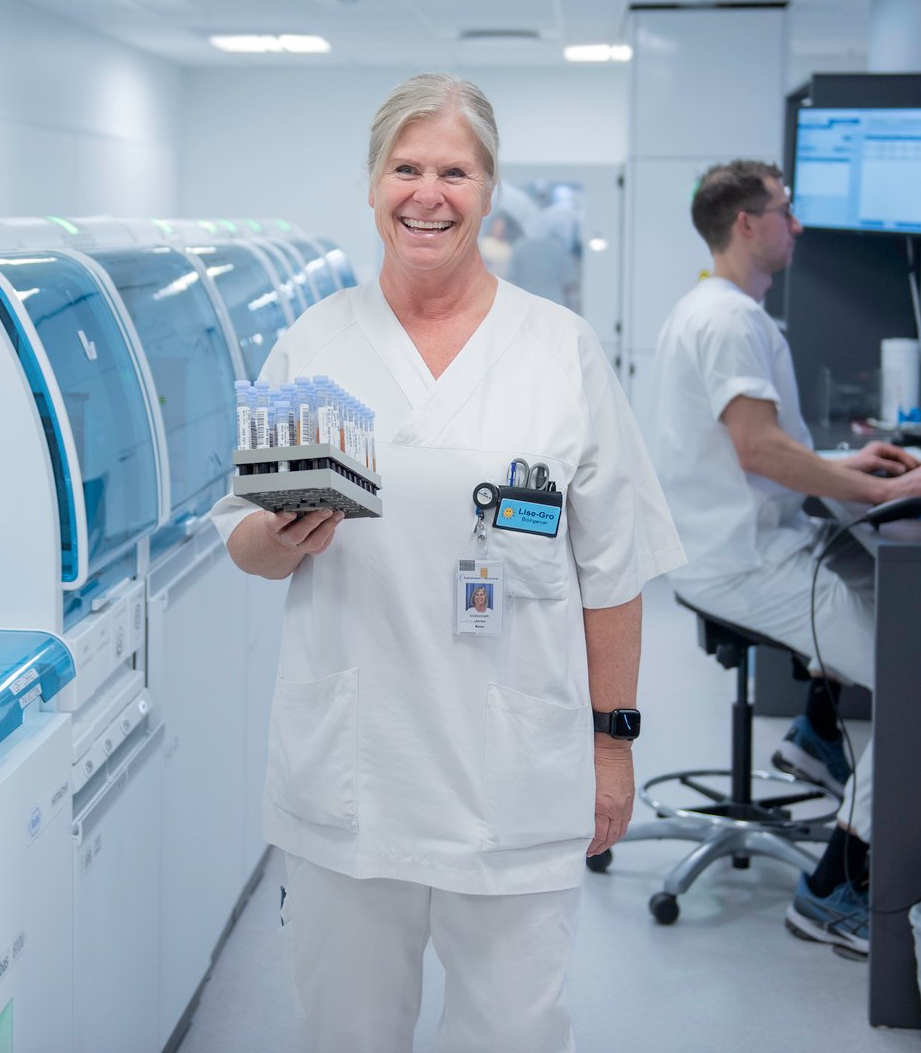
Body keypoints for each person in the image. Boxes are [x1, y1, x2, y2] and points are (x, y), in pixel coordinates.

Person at [213, 73, 685, 1051]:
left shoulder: (561, 352)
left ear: (490, 186)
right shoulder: (315, 344)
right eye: (407, 168)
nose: (428, 193)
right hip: (354, 778)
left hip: (512, 777)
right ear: (374, 183)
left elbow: (614, 569)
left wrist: (613, 748)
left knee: (514, 1033)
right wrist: (280, 534)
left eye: (454, 171)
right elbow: (250, 547)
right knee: (345, 1032)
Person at [643, 160, 921, 958]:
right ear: (746, 224)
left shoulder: (727, 311)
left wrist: (857, 466)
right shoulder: (727, 321)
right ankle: (835, 891)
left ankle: (819, 734)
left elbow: (770, 447)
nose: (797, 226)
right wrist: (867, 488)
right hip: (742, 561)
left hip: (746, 540)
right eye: (785, 211)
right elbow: (758, 449)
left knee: (881, 583)